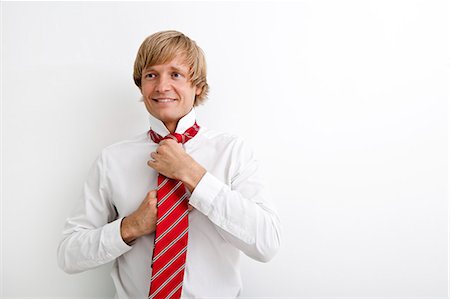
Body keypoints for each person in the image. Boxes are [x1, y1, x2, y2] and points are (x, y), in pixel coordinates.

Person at [57, 30, 281, 298]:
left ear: (197, 85)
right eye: (151, 75)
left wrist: (193, 175)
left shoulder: (232, 151)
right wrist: (130, 227)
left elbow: (267, 244)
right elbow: (69, 254)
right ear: (141, 85)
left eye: (175, 74)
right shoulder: (112, 160)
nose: (162, 86)